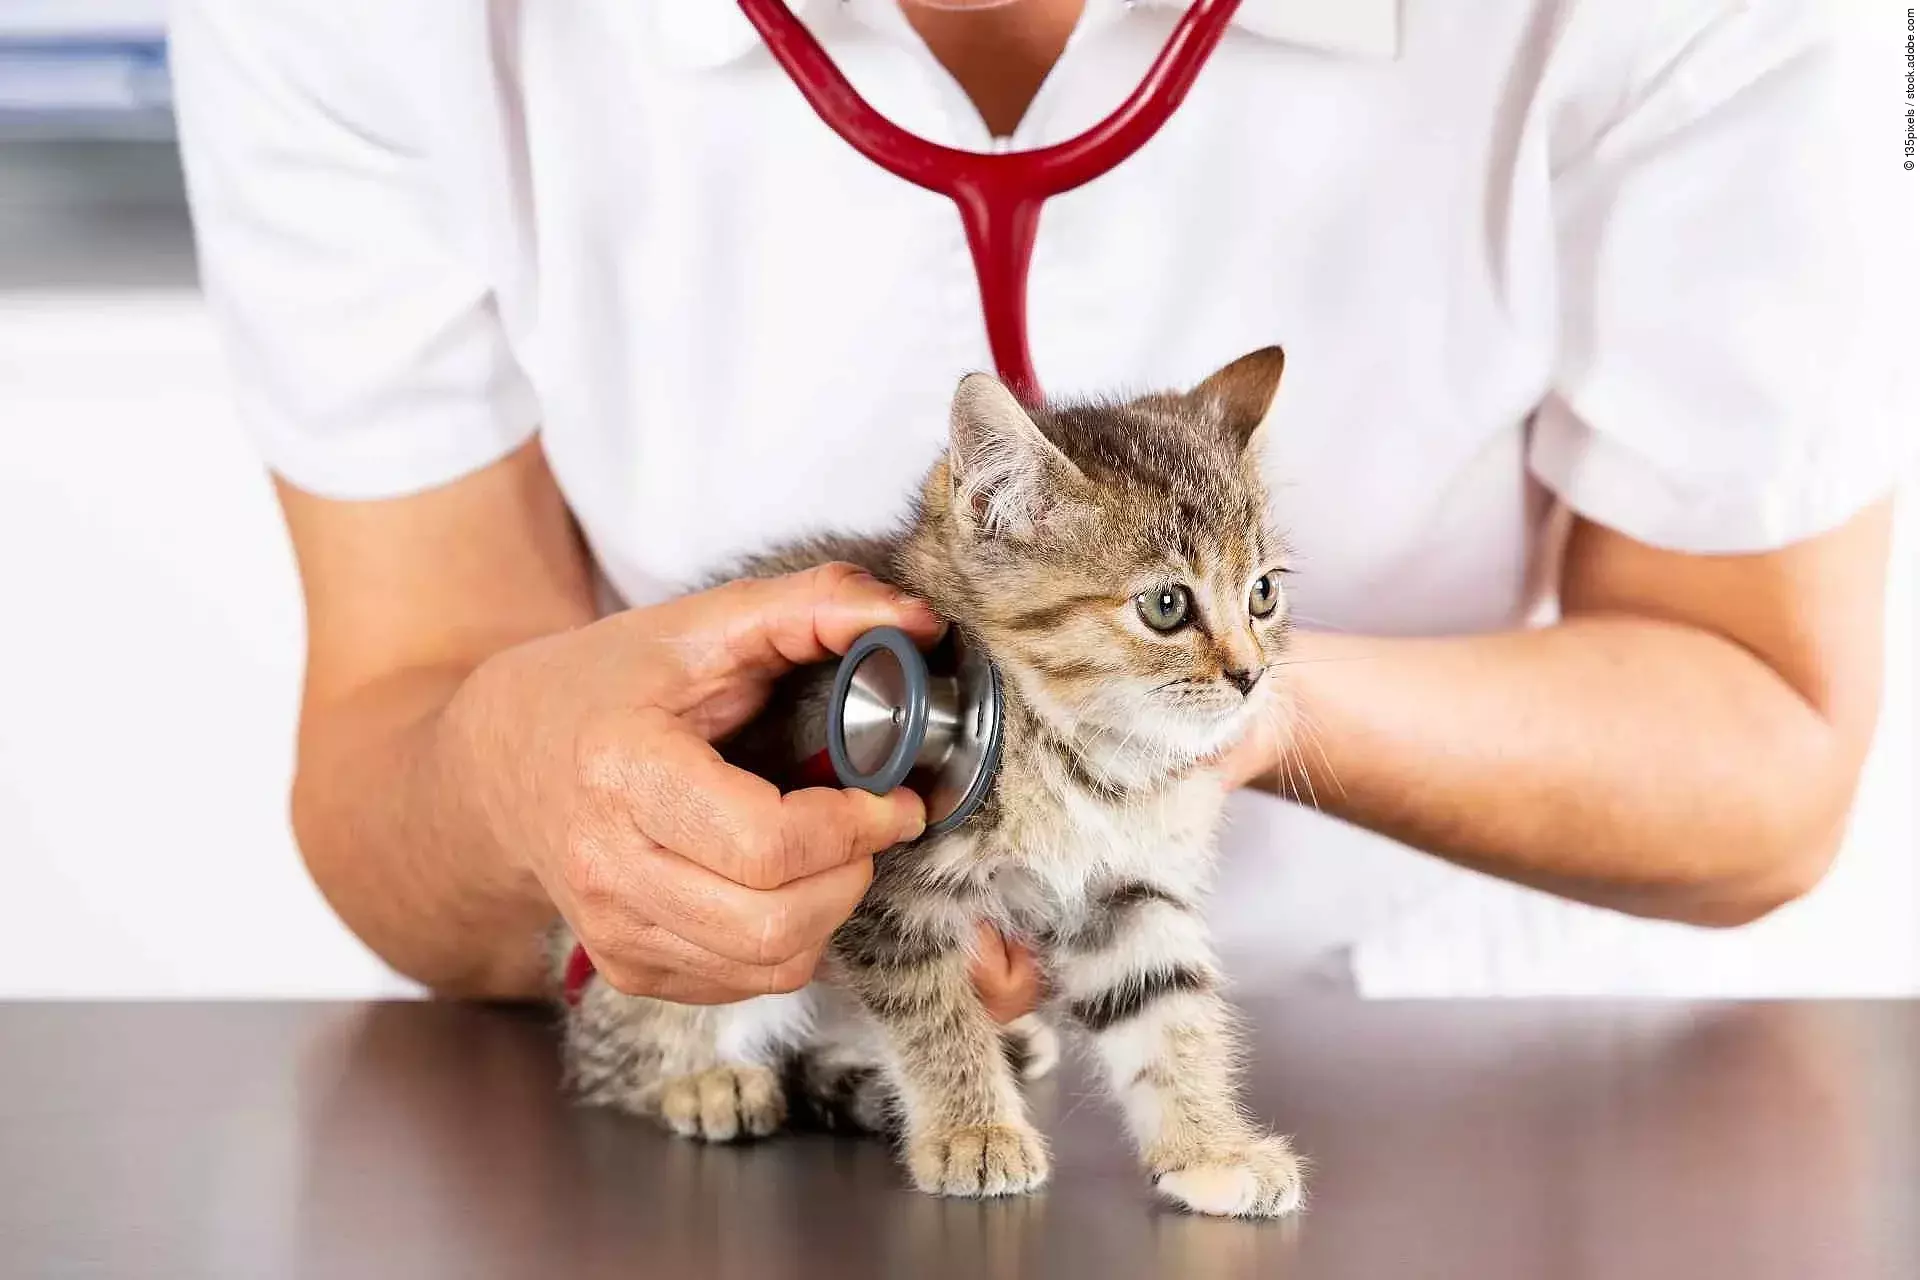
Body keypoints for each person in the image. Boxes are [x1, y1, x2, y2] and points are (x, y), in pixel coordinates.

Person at [168, 0, 1915, 1007]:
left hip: (1446, 1066)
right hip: (797, 1080)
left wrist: (1212, 713)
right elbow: (397, 743)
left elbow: (1763, 746)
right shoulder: (357, 28)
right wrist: (522, 786)